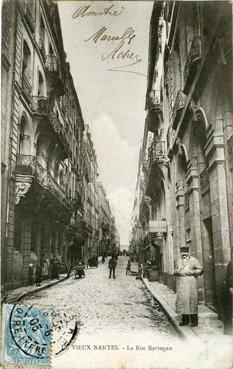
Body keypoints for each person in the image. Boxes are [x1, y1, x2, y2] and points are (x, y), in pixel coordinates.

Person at [174, 246, 203, 327]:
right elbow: (176, 269)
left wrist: (192, 272)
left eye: (185, 252)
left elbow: (200, 269)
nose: (184, 254)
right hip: (182, 282)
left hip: (191, 283)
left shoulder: (193, 260)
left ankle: (194, 321)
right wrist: (176, 271)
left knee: (191, 300)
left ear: (188, 252)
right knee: (183, 301)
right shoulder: (179, 260)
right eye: (182, 252)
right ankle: (185, 320)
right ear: (181, 253)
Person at [224, 261, 232, 335]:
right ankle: (229, 330)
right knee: (230, 310)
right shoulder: (231, 264)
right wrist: (230, 286)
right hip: (231, 290)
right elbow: (228, 277)